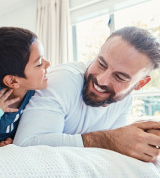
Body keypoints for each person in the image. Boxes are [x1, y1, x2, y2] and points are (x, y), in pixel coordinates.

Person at [14, 26, 160, 162]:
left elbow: (117, 145)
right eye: (101, 64)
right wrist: (109, 140)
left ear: (139, 84)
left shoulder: (125, 100)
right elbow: (26, 144)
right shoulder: (64, 79)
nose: (101, 80)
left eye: (119, 77)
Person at [0, 27, 50, 146]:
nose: (48, 64)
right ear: (13, 81)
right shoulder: (1, 124)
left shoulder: (20, 82)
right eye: (39, 64)